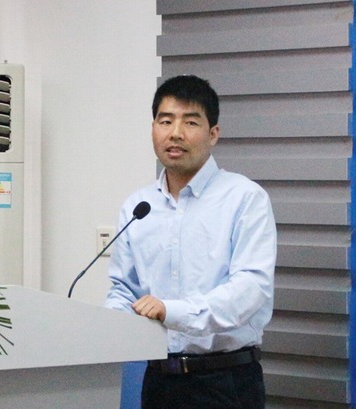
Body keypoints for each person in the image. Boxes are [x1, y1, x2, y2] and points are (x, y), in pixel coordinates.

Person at [104, 75, 277, 409]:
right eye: (165, 121)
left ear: (213, 134)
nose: (175, 133)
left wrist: (172, 311)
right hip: (158, 381)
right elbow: (124, 289)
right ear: (153, 129)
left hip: (225, 380)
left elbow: (249, 290)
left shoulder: (244, 199)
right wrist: (105, 324)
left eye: (190, 122)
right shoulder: (138, 206)